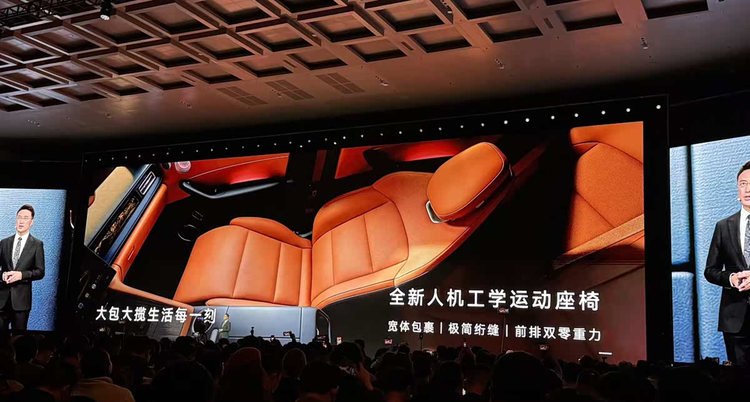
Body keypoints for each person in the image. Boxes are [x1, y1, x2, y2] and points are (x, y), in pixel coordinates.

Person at [705, 161, 750, 365]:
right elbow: (710, 270)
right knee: (739, 379)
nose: (747, 189)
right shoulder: (723, 226)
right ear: (737, 189)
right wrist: (731, 278)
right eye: (743, 184)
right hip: (734, 319)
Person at [0, 205, 45, 331]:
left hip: (21, 302)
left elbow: (40, 272)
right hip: (2, 299)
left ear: (31, 222)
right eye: (19, 217)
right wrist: (2, 275)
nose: (21, 221)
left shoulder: (37, 245)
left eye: (25, 218)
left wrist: (21, 275)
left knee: (18, 337)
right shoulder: (4, 243)